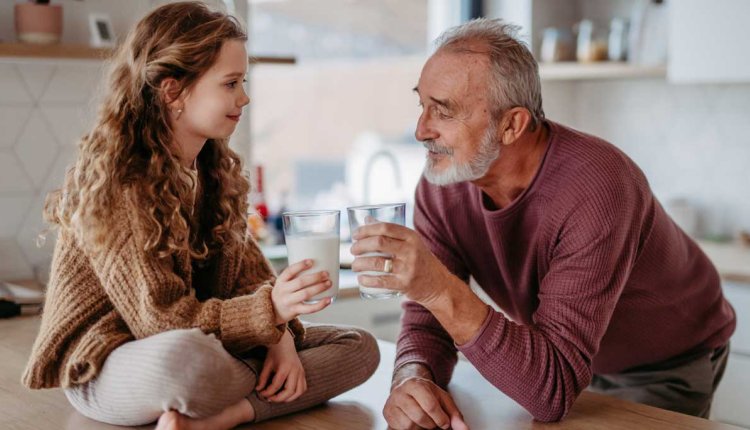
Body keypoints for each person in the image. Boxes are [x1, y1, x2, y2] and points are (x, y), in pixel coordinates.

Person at [349, 18, 736, 428]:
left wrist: (436, 285)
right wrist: (413, 375)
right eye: (422, 105)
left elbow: (551, 393)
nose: (420, 130)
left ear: (512, 125)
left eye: (443, 112)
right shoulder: (445, 183)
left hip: (659, 363)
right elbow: (430, 317)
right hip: (562, 360)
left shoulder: (598, 186)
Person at [21, 3, 379, 430]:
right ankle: (239, 396)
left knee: (360, 346)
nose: (243, 97)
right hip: (113, 363)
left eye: (242, 81)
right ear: (173, 91)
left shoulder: (213, 170)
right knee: (189, 360)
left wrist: (279, 335)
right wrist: (269, 315)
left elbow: (252, 279)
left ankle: (224, 415)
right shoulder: (122, 182)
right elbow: (161, 322)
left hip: (201, 345)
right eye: (230, 83)